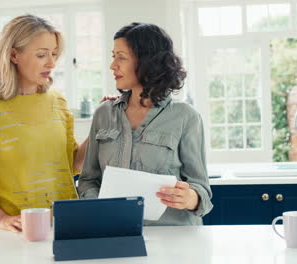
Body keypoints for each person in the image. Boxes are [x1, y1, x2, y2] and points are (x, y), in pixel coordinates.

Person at [0, 15, 88, 232]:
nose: (51, 63)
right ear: (13, 54)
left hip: (62, 225)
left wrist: (102, 122)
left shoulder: (58, 102)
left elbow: (71, 165)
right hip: (12, 232)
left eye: (53, 54)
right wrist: (0, 217)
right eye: (41, 55)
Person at [78, 22, 213, 225]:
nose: (112, 65)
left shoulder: (186, 117)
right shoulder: (103, 114)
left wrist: (190, 198)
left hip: (172, 243)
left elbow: (201, 190)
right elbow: (88, 180)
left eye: (121, 58)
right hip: (116, 234)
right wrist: (100, 206)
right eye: (113, 56)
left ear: (148, 62)